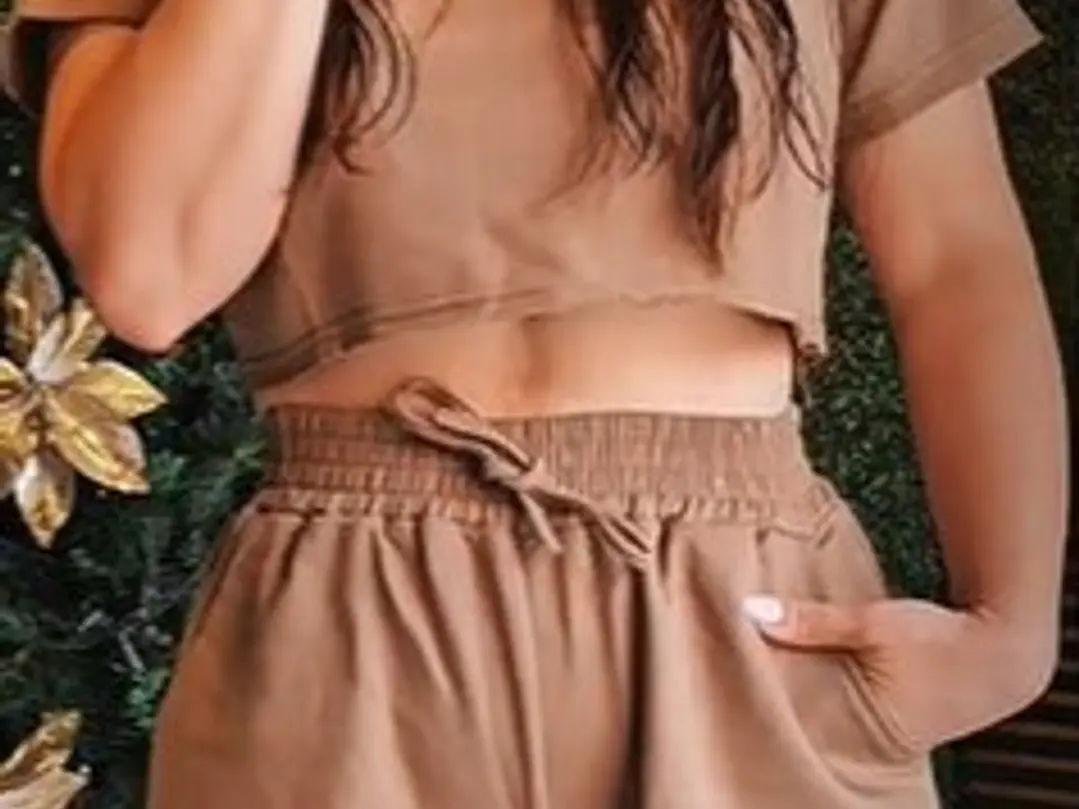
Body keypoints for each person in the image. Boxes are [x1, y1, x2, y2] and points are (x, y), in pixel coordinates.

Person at [2, 0, 1068, 807]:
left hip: (744, 622)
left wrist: (1010, 633)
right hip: (348, 618)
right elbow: (151, 274)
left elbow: (954, 259)